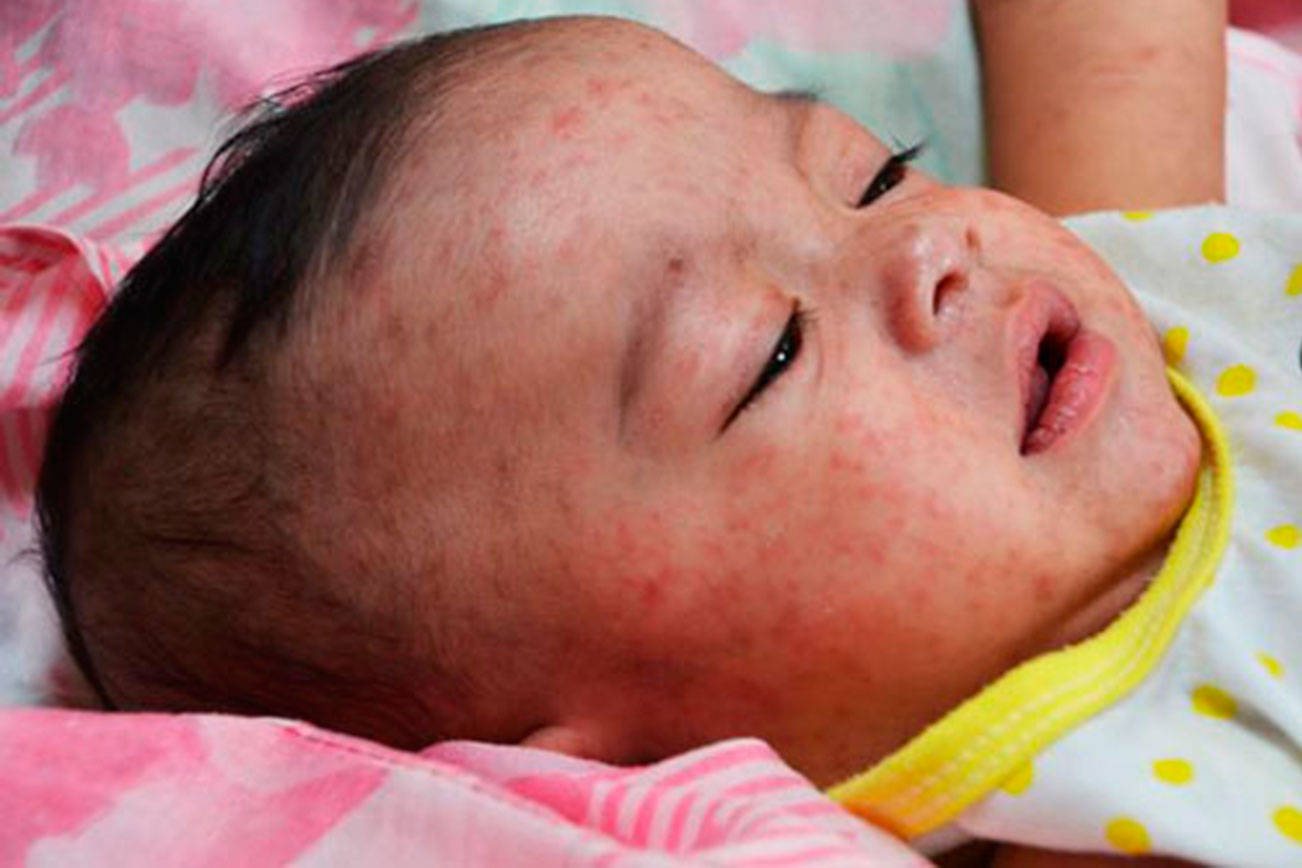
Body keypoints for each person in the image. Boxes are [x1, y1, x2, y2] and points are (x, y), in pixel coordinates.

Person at [35, 2, 1299, 864]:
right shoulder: (1132, 805)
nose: (930, 246)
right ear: (632, 766)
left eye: (873, 171)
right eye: (772, 354)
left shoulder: (1134, 267)